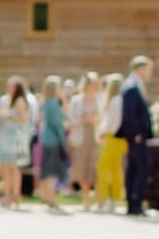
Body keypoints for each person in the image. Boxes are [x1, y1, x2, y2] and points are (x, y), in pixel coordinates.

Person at [119, 55, 153, 216]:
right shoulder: (131, 87)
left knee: (133, 169)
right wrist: (136, 133)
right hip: (136, 136)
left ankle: (133, 203)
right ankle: (135, 202)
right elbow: (129, 114)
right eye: (148, 69)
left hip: (137, 135)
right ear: (140, 69)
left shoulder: (136, 85)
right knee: (141, 168)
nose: (149, 73)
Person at [0, 76, 31, 208]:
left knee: (13, 168)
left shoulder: (20, 101)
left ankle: (15, 194)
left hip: (14, 138)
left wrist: (8, 115)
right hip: (7, 137)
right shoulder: (7, 100)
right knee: (6, 167)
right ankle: (8, 194)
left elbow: (23, 119)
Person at [68, 71, 101, 208]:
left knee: (96, 167)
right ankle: (86, 199)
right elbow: (71, 119)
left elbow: (105, 116)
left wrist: (95, 119)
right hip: (82, 136)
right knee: (82, 166)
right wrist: (83, 120)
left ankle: (100, 199)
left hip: (96, 136)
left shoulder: (100, 99)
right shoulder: (77, 100)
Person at [94, 72, 126, 211]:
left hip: (112, 137)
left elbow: (112, 122)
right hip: (118, 138)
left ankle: (104, 198)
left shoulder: (115, 101)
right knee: (115, 168)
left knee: (103, 167)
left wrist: (102, 131)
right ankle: (115, 198)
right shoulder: (120, 100)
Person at [37, 74, 68, 208]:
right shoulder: (54, 104)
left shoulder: (46, 103)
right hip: (54, 141)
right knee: (53, 171)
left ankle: (45, 196)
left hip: (46, 140)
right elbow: (58, 124)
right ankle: (51, 199)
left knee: (46, 170)